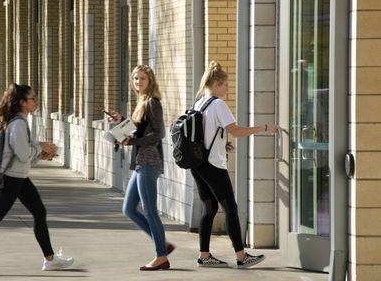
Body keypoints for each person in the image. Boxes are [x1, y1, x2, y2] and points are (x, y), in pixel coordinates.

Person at [0, 84, 74, 275]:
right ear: (22, 103)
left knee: (39, 211)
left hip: (19, 176)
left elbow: (24, 155)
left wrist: (42, 154)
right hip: (13, 178)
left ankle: (50, 259)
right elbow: (23, 154)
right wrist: (41, 148)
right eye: (32, 98)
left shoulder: (20, 120)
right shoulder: (18, 124)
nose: (35, 101)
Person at [191, 60, 283, 269]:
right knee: (230, 208)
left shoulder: (199, 103)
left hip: (198, 164)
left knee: (209, 207)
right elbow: (237, 130)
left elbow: (204, 136)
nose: (228, 88)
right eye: (225, 84)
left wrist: (223, 145)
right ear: (215, 84)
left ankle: (204, 256)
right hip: (213, 165)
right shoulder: (218, 104)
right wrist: (265, 127)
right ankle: (242, 257)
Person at [108, 65, 175, 271]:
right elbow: (137, 131)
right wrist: (120, 124)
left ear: (150, 80)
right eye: (136, 78)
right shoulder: (141, 103)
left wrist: (130, 143)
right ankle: (161, 244)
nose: (138, 82)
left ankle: (161, 256)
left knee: (150, 211)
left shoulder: (153, 103)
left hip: (148, 161)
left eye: (143, 78)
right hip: (140, 162)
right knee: (129, 209)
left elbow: (158, 134)